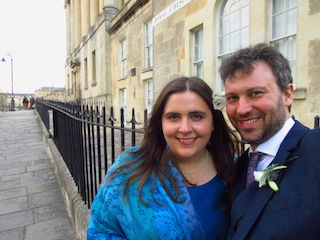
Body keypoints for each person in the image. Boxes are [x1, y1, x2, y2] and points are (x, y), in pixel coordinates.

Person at [87, 76, 239, 239]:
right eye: (173, 117)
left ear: (213, 122)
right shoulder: (130, 168)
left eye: (196, 116)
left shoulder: (234, 171)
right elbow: (100, 230)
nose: (185, 128)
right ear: (161, 122)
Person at [220, 43, 320, 240]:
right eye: (232, 98)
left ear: (287, 94)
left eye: (255, 93)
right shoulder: (237, 168)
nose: (241, 109)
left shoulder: (315, 148)